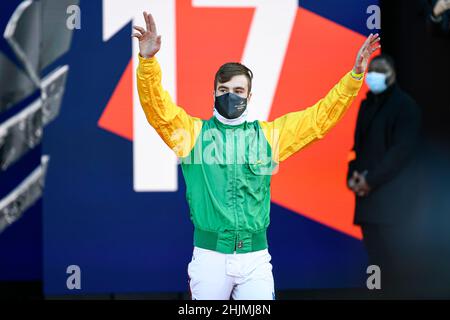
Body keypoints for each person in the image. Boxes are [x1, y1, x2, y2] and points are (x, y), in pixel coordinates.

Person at [133, 11, 380, 300]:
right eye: (223, 90)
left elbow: (318, 119)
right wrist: (148, 62)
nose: (230, 96)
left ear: (250, 97)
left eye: (238, 90)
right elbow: (158, 111)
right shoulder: (192, 135)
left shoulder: (268, 136)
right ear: (213, 93)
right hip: (210, 257)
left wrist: (355, 77)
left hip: (256, 258)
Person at [347, 54, 422, 296]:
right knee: (376, 261)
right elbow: (357, 146)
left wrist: (370, 180)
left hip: (393, 203)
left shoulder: (406, 106)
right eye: (372, 69)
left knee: (397, 265)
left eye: (380, 70)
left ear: (392, 75)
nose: (373, 75)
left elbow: (401, 153)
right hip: (368, 202)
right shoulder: (366, 104)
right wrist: (353, 177)